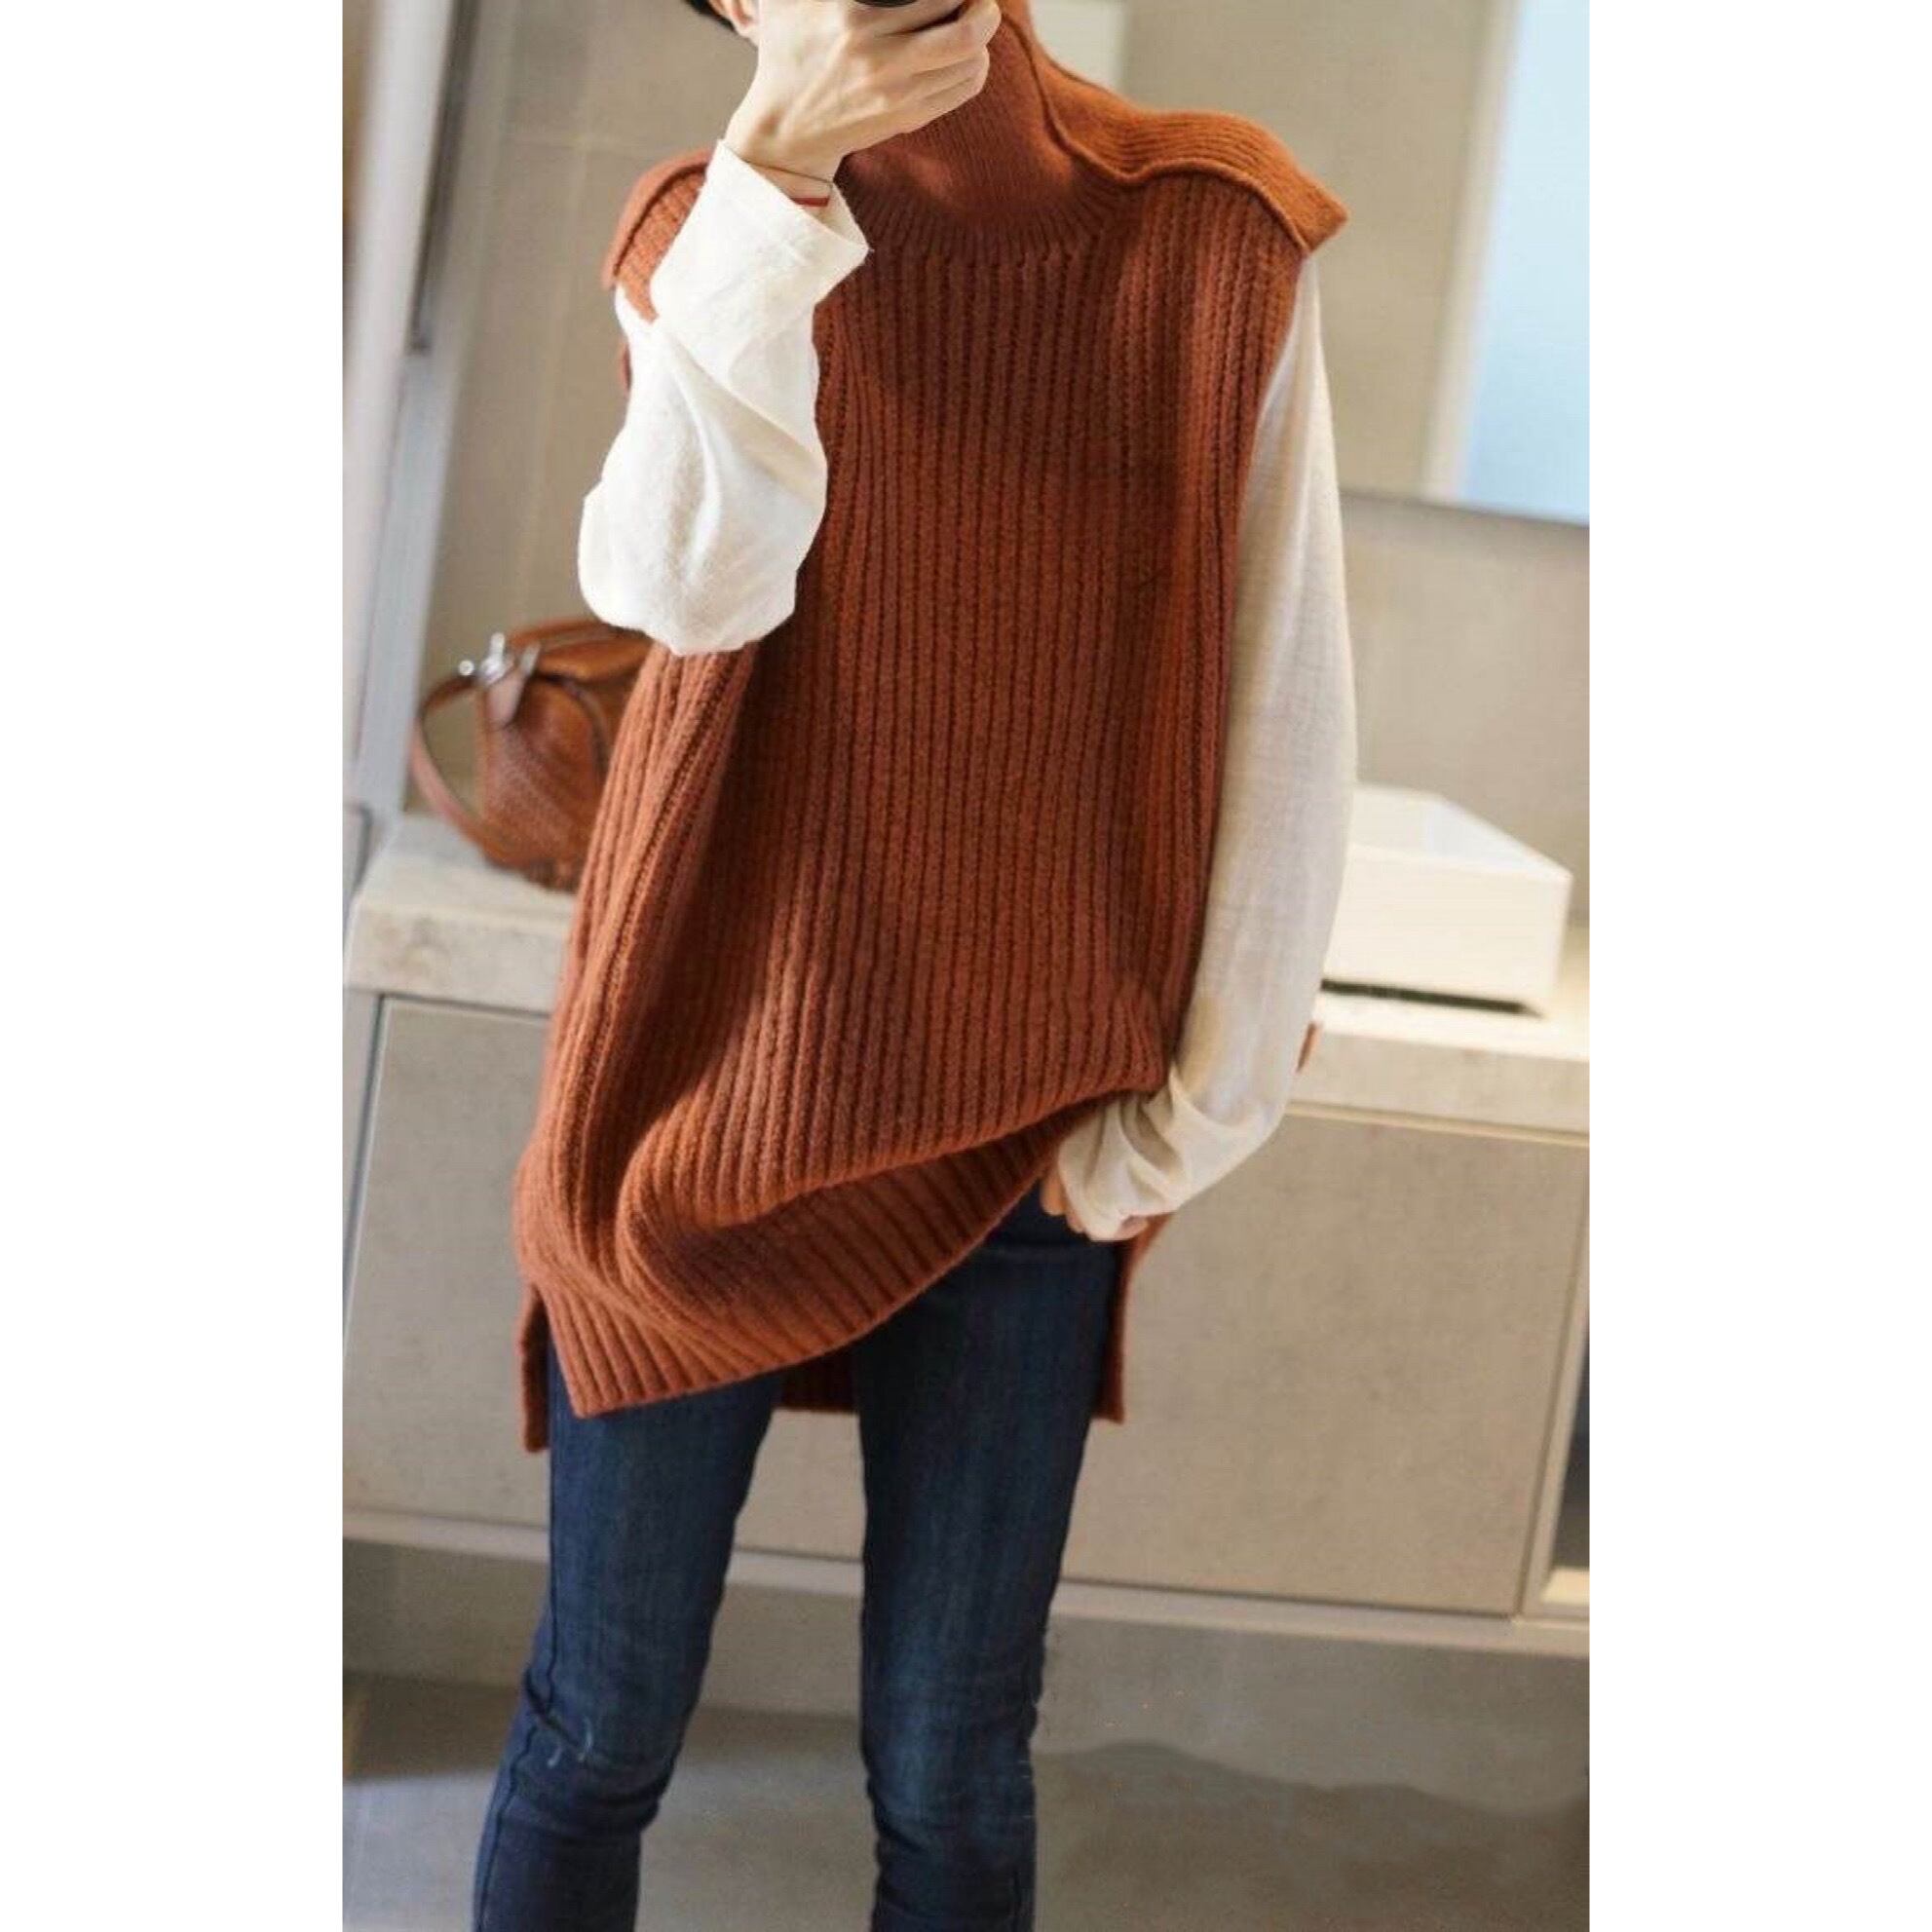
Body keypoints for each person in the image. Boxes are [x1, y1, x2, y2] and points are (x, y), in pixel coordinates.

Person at [474, 2, 1355, 1925]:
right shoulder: (702, 225)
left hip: (1025, 1140)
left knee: (953, 1761)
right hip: (694, 1104)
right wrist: (774, 181)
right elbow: (684, 586)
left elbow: (1283, 710)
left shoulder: (1211, 235)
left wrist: (1174, 1128)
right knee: (597, 1725)